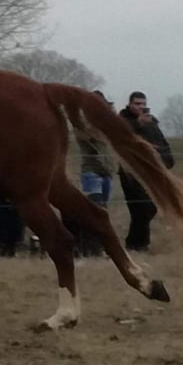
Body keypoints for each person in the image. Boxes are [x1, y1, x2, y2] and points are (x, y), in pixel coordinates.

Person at [118, 91, 174, 252]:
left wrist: (167, 161)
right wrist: (138, 125)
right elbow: (124, 138)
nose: (141, 107)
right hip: (130, 172)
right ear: (130, 104)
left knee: (146, 209)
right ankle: (138, 244)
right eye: (137, 104)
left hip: (150, 172)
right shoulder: (123, 120)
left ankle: (137, 244)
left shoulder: (151, 123)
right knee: (142, 208)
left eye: (143, 104)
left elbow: (161, 142)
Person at [68, 91, 118, 257]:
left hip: (107, 172)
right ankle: (93, 247)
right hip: (91, 171)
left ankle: (100, 246)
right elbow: (87, 136)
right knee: (96, 209)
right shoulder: (81, 123)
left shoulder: (108, 123)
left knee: (103, 210)